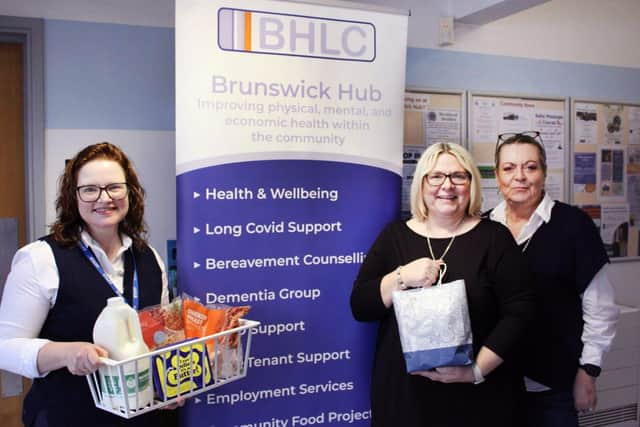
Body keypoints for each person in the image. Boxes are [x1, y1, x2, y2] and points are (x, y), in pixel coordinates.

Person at [351, 142, 535, 426]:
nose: (446, 186)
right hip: (405, 400)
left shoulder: (494, 237)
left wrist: (475, 371)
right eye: (436, 176)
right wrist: (401, 277)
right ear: (422, 184)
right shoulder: (395, 237)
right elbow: (361, 307)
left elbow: (520, 312)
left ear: (470, 184)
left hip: (481, 399)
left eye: (458, 176)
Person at [0, 142, 170, 426]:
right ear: (73, 197)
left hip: (145, 417)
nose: (104, 198)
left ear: (130, 192)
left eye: (114, 187)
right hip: (68, 416)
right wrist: (66, 353)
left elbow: (157, 339)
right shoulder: (40, 258)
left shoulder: (149, 258)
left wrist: (168, 385)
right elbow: (5, 348)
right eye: (90, 189)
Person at [488, 131, 619, 426]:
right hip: (494, 382)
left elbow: (600, 308)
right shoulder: (484, 226)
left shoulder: (574, 225)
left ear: (544, 173)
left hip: (552, 386)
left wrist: (589, 371)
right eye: (509, 168)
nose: (519, 176)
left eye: (530, 167)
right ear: (497, 176)